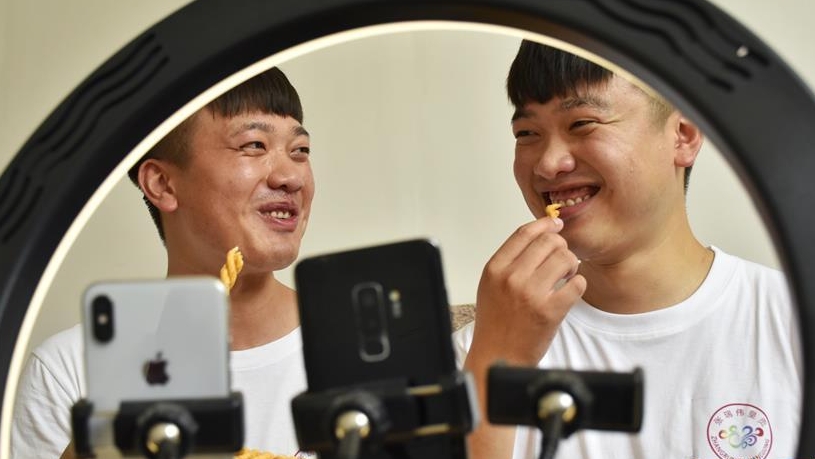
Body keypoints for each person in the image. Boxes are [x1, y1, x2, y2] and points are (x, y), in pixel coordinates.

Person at [453, 41, 803, 459]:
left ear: (683, 135)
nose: (547, 164)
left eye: (582, 123)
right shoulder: (475, 354)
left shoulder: (794, 323)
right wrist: (496, 362)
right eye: (527, 133)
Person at [11, 67, 315, 459]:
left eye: (300, 150)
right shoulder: (69, 370)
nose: (291, 176)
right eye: (254, 145)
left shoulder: (358, 352)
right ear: (162, 184)